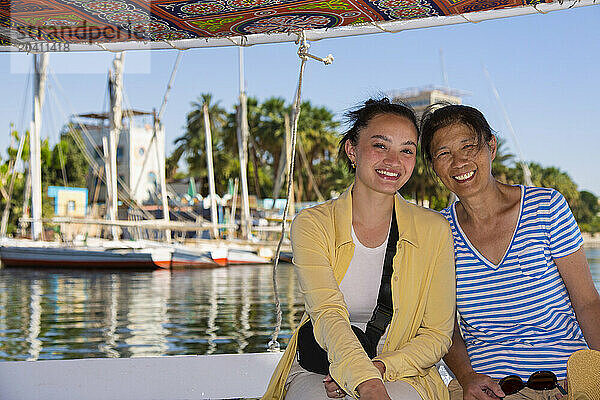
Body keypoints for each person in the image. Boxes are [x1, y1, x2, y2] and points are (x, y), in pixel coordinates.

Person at [262, 98, 456, 400]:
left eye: (406, 150)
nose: (394, 161)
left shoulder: (434, 230)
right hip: (324, 361)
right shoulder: (313, 224)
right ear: (352, 150)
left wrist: (377, 369)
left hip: (403, 366)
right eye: (380, 146)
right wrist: (363, 379)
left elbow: (437, 334)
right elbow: (328, 313)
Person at [419, 104, 600, 400]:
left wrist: (595, 375)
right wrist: (466, 378)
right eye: (443, 154)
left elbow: (588, 303)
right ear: (433, 165)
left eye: (468, 146)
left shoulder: (545, 207)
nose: (459, 161)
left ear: (491, 146)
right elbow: (445, 329)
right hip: (488, 388)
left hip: (566, 381)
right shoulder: (437, 231)